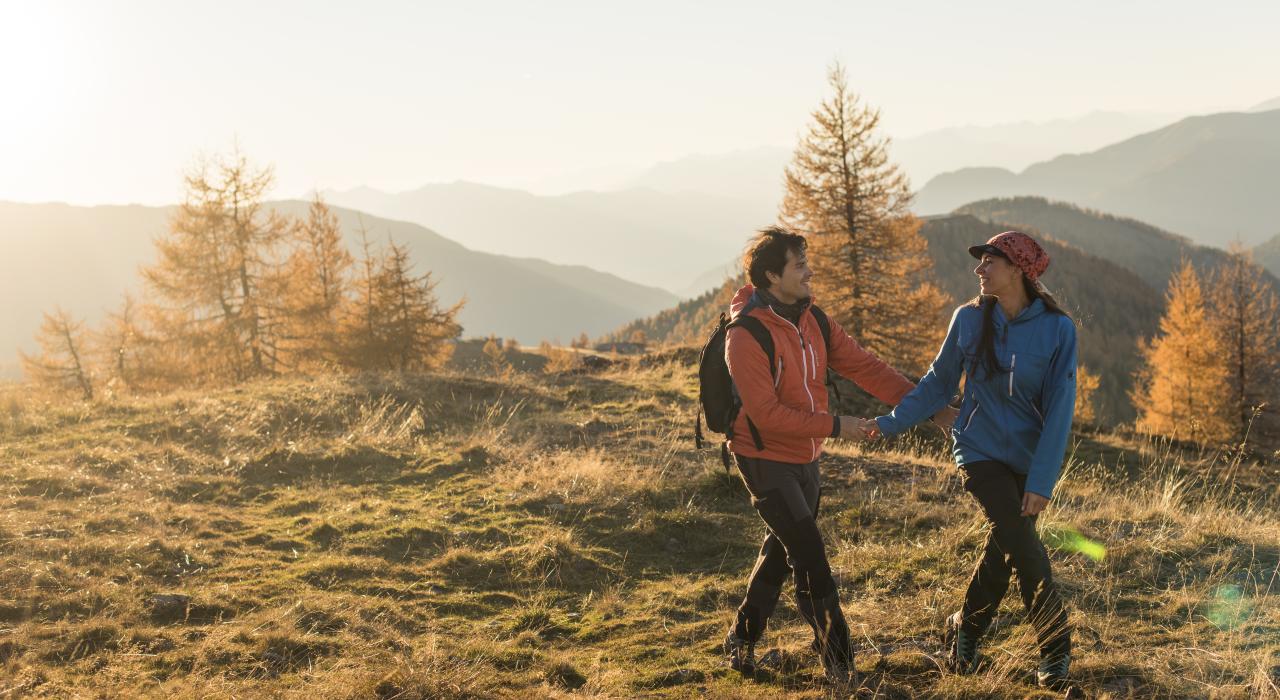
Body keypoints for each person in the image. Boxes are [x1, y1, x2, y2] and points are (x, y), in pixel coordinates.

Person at [722, 226, 956, 684]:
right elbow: (766, 415)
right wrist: (837, 426)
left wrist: (929, 410)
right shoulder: (746, 335)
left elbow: (866, 368)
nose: (810, 272)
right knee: (810, 555)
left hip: (805, 457)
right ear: (772, 275)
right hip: (764, 458)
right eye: (799, 265)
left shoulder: (813, 320)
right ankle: (841, 665)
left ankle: (741, 639)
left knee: (783, 549)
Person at [868, 230, 1078, 692]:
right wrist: (890, 424)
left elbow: (1060, 410)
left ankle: (966, 629)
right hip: (977, 448)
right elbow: (938, 383)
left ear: (1020, 269)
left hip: (1027, 458)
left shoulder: (1057, 329)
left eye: (990, 262)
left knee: (1005, 547)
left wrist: (1042, 479)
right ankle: (1056, 651)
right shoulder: (967, 320)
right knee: (1024, 548)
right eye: (980, 261)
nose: (979, 269)